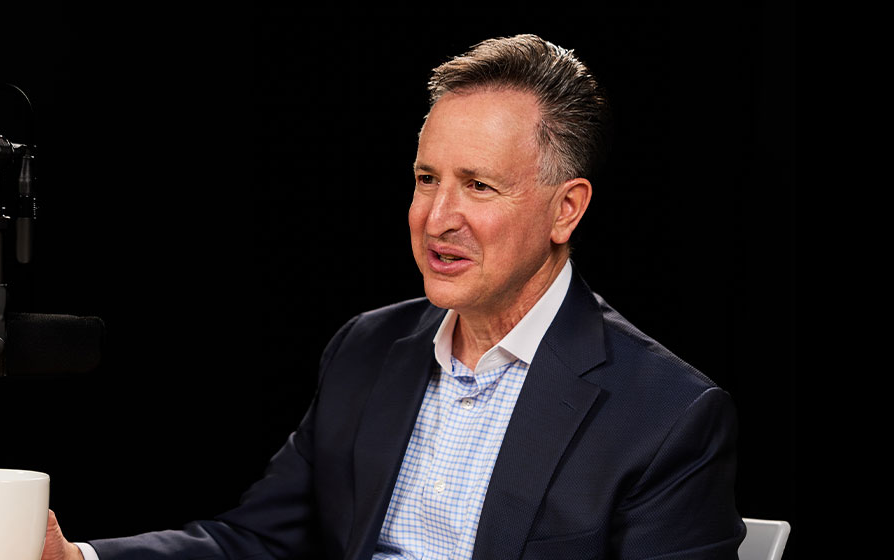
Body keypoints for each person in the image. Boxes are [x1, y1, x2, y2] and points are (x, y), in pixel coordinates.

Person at [43, 34, 746, 559]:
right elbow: (255, 541)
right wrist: (77, 559)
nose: (437, 217)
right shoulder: (367, 348)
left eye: (478, 185)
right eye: (425, 178)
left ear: (566, 210)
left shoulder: (668, 419)